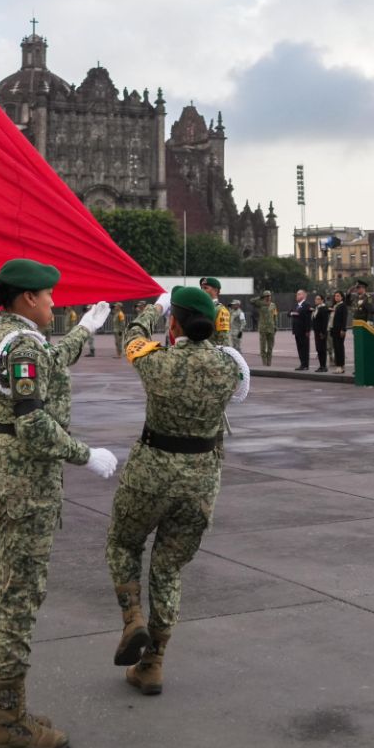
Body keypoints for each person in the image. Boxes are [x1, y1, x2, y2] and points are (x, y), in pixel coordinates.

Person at [0, 259, 116, 748]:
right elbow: (34, 424)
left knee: (10, 588)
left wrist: (81, 332)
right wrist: (86, 455)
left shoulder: (9, 337)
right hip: (24, 474)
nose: (55, 303)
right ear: (28, 299)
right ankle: (9, 722)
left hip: (9, 467)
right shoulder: (21, 344)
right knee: (20, 597)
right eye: (50, 296)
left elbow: (48, 366)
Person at [107, 284, 243, 696]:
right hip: (201, 478)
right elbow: (221, 349)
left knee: (123, 544)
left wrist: (155, 308)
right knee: (168, 569)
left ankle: (132, 617)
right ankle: (153, 664)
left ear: (174, 322)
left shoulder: (156, 361)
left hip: (152, 470)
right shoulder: (228, 368)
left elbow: (131, 335)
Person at [349, 280, 374, 385]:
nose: (358, 290)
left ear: (364, 288)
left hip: (364, 325)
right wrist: (349, 291)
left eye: (360, 288)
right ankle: (358, 368)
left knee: (365, 348)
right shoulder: (356, 298)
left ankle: (365, 368)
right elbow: (347, 301)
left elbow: (370, 311)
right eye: (357, 288)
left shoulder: (368, 298)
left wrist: (369, 324)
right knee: (358, 348)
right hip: (357, 326)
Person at [199, 278, 230, 349]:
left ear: (216, 291)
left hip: (213, 354)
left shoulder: (220, 310)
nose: (202, 291)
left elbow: (223, 340)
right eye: (201, 288)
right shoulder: (202, 309)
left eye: (205, 288)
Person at [253, 288, 279, 368]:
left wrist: (276, 326)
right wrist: (259, 297)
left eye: (269, 296)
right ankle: (264, 364)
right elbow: (252, 301)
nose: (268, 297)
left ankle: (269, 363)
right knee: (263, 347)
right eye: (266, 296)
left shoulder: (273, 305)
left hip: (271, 328)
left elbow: (275, 316)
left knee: (270, 347)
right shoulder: (260, 304)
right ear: (264, 297)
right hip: (263, 328)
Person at [288, 288, 311, 370]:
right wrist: (292, 313)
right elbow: (289, 313)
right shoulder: (296, 305)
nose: (297, 296)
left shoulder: (306, 305)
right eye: (297, 294)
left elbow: (308, 318)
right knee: (299, 347)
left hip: (303, 330)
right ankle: (302, 364)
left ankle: (305, 364)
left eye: (299, 294)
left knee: (305, 347)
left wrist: (308, 330)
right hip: (296, 330)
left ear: (304, 295)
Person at [328, 289, 349, 374]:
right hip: (333, 329)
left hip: (339, 330)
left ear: (342, 297)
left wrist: (343, 329)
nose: (336, 297)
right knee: (336, 348)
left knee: (339, 348)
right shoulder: (335, 306)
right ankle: (339, 366)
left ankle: (340, 366)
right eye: (335, 296)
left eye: (338, 296)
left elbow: (344, 319)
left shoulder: (343, 306)